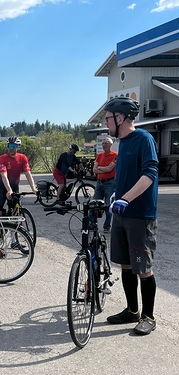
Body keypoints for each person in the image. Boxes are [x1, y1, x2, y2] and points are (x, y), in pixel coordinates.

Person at [103, 97, 159, 336]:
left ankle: (148, 316)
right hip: (121, 213)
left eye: (108, 119)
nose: (106, 123)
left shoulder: (143, 139)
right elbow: (125, 175)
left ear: (121, 117)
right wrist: (118, 194)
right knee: (125, 263)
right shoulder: (122, 143)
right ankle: (132, 310)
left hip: (140, 214)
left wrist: (127, 198)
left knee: (143, 268)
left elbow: (150, 173)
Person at [0, 136, 38, 218]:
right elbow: (4, 175)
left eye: (14, 146)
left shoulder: (23, 158)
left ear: (18, 147)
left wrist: (33, 188)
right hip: (1, 187)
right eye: (10, 146)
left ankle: (15, 229)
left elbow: (28, 173)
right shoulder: (2, 158)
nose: (11, 148)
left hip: (14, 187)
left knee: (16, 212)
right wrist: (9, 190)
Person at [89, 137, 117, 232]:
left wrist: (99, 168)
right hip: (100, 182)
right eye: (103, 143)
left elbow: (110, 169)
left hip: (110, 183)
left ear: (110, 144)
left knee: (108, 205)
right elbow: (94, 169)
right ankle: (91, 224)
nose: (104, 145)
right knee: (94, 203)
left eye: (106, 143)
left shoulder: (115, 155)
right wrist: (103, 168)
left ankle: (106, 226)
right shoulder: (99, 155)